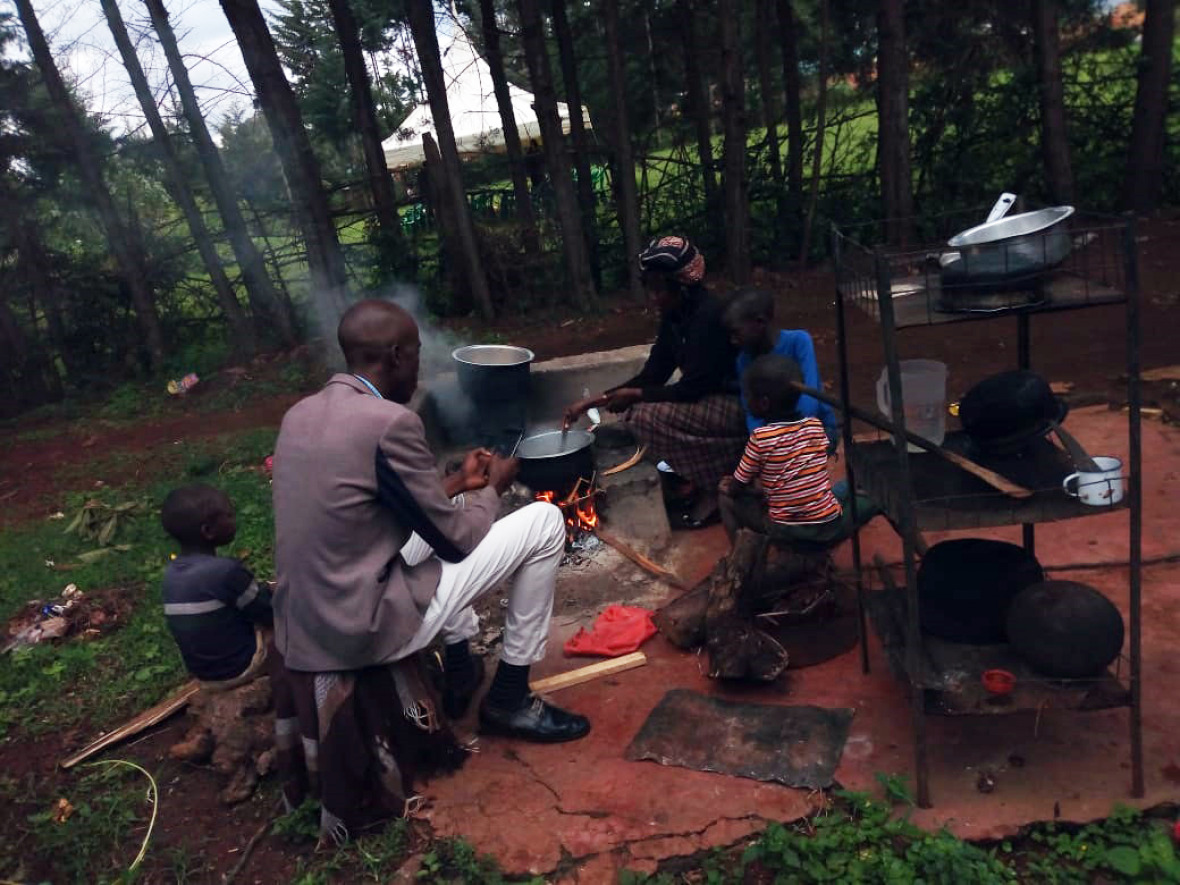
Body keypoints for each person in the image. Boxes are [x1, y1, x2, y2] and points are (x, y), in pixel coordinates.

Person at [270, 299, 589, 839]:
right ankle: (511, 698)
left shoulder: (300, 414)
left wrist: (459, 485)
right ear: (395, 356)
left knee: (447, 526)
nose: (419, 368)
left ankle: (461, 667)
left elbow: (377, 511)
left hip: (309, 615)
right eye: (416, 355)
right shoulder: (391, 421)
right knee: (542, 523)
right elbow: (458, 541)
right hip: (361, 626)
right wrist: (491, 487)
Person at [564, 235, 746, 528]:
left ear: (682, 287)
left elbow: (691, 389)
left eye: (659, 289)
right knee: (637, 409)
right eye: (650, 288)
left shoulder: (708, 317)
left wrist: (635, 394)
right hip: (706, 402)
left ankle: (715, 486)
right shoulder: (675, 318)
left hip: (736, 407)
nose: (653, 297)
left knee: (643, 416)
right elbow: (653, 374)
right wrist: (592, 401)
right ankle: (703, 480)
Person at [718, 354, 875, 546]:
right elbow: (801, 469)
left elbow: (737, 486)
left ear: (764, 403)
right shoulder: (814, 427)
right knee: (859, 487)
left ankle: (740, 560)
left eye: (748, 395)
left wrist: (730, 486)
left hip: (786, 532)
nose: (745, 400)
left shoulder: (760, 439)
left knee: (725, 499)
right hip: (828, 527)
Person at [159, 484, 273, 691]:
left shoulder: (171, 574)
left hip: (204, 674)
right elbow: (269, 612)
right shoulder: (226, 571)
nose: (234, 520)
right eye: (229, 515)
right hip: (239, 668)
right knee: (293, 624)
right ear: (208, 531)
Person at [724, 287, 839, 450]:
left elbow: (810, 402)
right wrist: (764, 441)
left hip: (815, 430)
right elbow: (750, 411)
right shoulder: (743, 359)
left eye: (736, 332)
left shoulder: (799, 342)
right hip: (773, 438)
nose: (733, 341)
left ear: (760, 323)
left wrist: (781, 441)